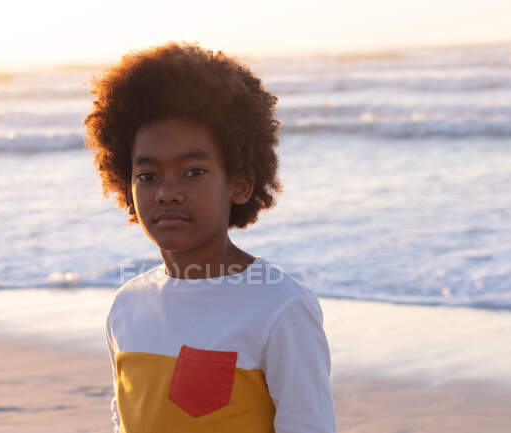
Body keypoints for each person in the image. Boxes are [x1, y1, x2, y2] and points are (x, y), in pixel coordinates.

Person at [83, 41, 336, 433]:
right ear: (125, 186)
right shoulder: (127, 306)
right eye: (147, 176)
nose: (167, 192)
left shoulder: (280, 309)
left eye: (193, 172)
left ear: (239, 185)